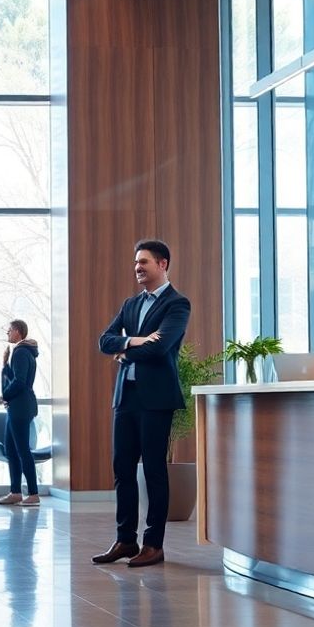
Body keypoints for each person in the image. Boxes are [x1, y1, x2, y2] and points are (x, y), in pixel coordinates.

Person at [92, 239, 190, 568]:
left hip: (156, 399)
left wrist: (124, 352)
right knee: (122, 470)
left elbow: (160, 349)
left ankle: (154, 544)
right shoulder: (130, 304)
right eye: (136, 262)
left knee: (153, 471)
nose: (138, 267)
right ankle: (125, 540)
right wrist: (132, 340)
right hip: (126, 398)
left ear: (162, 264)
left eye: (144, 262)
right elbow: (104, 340)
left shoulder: (178, 304)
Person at [0, 320, 40, 507]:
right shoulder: (19, 352)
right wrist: (5, 364)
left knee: (22, 450)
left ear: (18, 332)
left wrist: (5, 395)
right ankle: (15, 492)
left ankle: (33, 493)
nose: (7, 332)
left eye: (10, 330)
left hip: (20, 407)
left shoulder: (21, 352)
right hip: (16, 406)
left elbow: (20, 381)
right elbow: (13, 377)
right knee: (11, 449)